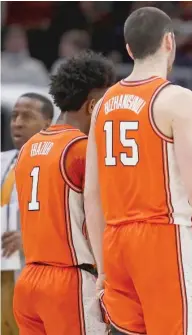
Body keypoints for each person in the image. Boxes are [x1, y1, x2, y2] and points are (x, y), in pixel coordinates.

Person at [84, 7, 192, 335]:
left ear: (129, 49)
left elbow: (92, 192)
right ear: (169, 41)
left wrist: (102, 265)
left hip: (115, 242)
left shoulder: (102, 105)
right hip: (162, 237)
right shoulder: (175, 98)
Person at [13, 51, 115, 335]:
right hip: (69, 281)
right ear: (94, 105)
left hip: (29, 280)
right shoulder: (82, 150)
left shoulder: (28, 149)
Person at [1, 92, 53, 335]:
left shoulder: (57, 162)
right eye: (14, 116)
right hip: (4, 271)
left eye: (27, 116)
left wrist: (29, 240)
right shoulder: (2, 161)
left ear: (48, 124)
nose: (17, 123)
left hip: (35, 270)